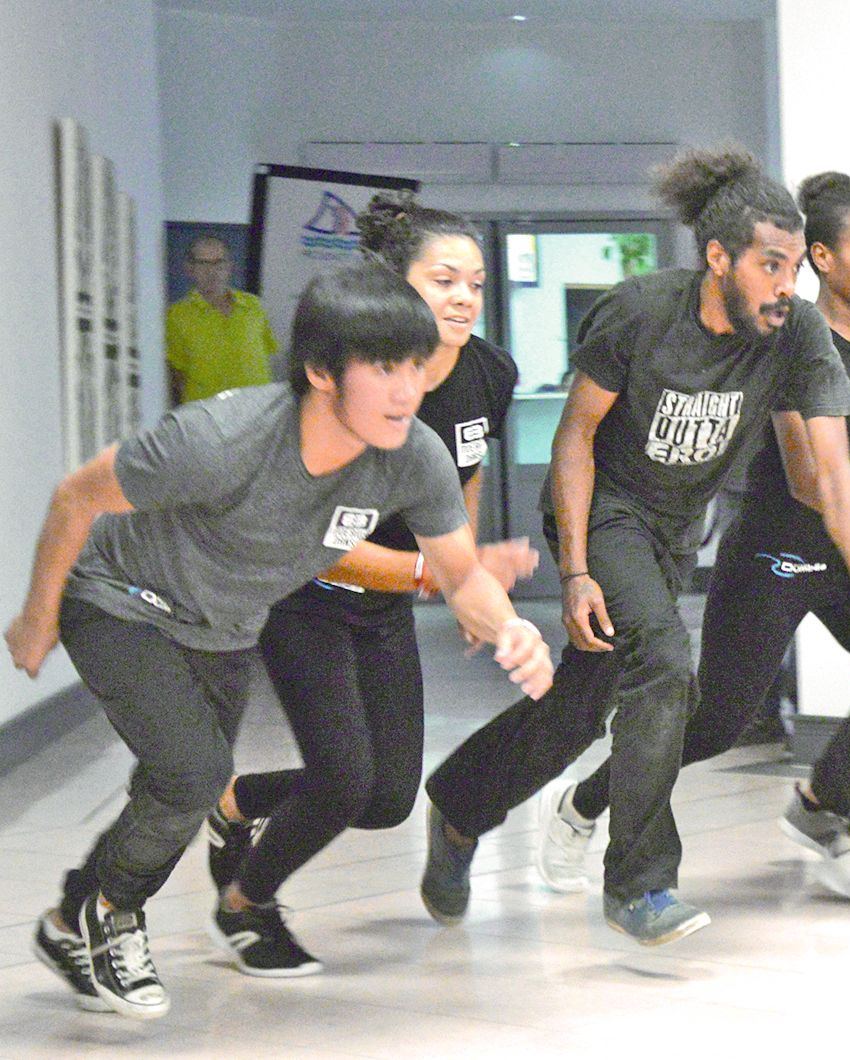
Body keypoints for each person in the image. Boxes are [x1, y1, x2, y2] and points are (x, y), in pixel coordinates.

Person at [11, 262, 553, 1020]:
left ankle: (69, 921)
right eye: (384, 369)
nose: (407, 390)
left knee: (176, 791)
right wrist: (37, 618)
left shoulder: (413, 455)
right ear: (322, 372)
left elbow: (460, 573)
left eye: (414, 366)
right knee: (195, 774)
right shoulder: (220, 440)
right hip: (122, 601)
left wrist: (511, 628)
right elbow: (75, 495)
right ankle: (113, 913)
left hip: (226, 628)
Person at [420, 147, 850, 946]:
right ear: (718, 258)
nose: (786, 284)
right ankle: (640, 882)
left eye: (792, 267)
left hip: (671, 532)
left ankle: (459, 805)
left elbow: (834, 473)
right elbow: (575, 436)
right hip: (602, 512)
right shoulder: (641, 313)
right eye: (769, 265)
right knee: (668, 666)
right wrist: (575, 570)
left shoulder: (793, 331)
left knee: (578, 713)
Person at [539, 173, 850, 912]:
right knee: (714, 725)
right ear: (822, 258)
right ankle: (586, 801)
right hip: (772, 552)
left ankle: (840, 831)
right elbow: (811, 482)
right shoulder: (745, 330)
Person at [203, 194, 535, 977]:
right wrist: (438, 575)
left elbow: (464, 473)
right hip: (303, 598)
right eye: (443, 280)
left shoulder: (489, 372)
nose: (464, 297)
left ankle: (235, 803)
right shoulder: (346, 381)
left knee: (385, 799)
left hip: (382, 610)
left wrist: (461, 567)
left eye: (475, 283)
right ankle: (245, 907)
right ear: (394, 287)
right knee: (342, 782)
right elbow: (317, 544)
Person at [165, 235, 278, 405]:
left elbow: (265, 357)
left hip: (257, 410)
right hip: (208, 413)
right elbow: (175, 375)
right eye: (203, 263)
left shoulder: (254, 305)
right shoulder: (176, 315)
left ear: (230, 266)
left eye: (219, 262)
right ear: (190, 268)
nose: (212, 271)